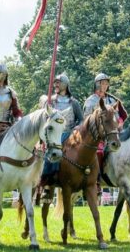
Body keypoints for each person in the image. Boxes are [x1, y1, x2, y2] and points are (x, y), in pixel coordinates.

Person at [39, 73, 83, 203]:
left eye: (59, 82)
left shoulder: (74, 102)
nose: (56, 85)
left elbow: (81, 119)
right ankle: (46, 185)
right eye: (55, 82)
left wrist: (77, 128)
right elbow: (43, 117)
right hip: (53, 133)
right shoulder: (50, 101)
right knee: (50, 153)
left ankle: (84, 181)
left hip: (69, 133)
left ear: (65, 84)